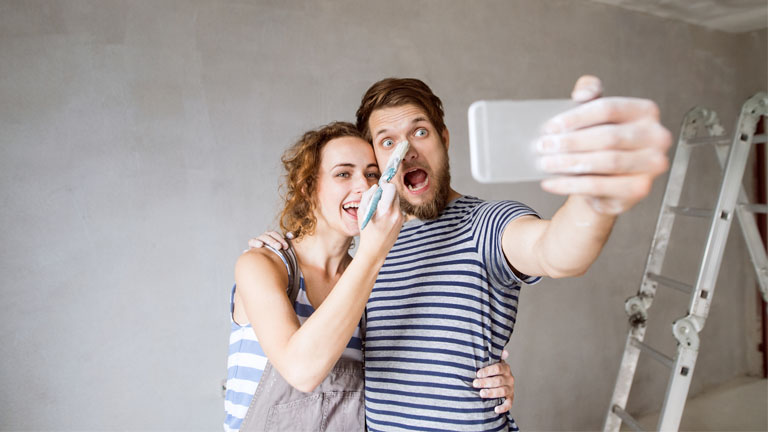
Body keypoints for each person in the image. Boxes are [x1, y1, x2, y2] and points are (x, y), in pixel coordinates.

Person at [250, 75, 672, 431]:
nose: (407, 150)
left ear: (443, 138)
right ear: (378, 160)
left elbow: (557, 251)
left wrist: (595, 198)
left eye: (420, 131)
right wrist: (279, 249)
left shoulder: (484, 224)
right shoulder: (369, 247)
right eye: (387, 141)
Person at [225, 122, 517, 432]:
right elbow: (301, 370)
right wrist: (373, 252)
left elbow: (414, 366)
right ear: (307, 187)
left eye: (372, 174)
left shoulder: (374, 280)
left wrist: (490, 376)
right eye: (343, 174)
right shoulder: (262, 265)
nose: (364, 188)